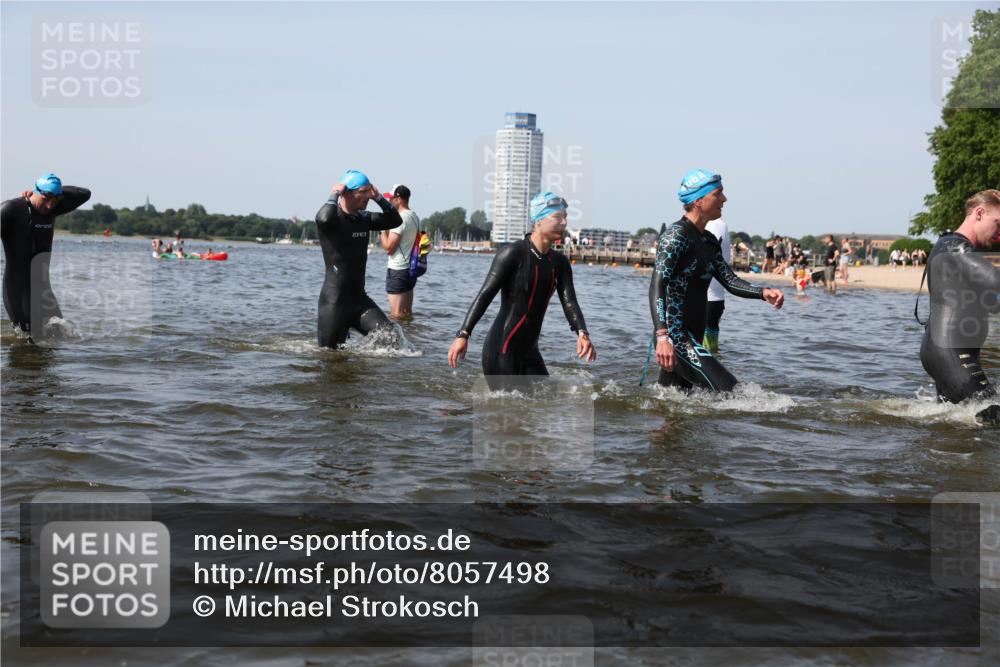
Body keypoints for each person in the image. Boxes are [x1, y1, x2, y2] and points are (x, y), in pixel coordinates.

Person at [650, 169, 783, 392]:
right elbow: (657, 285)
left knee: (671, 401)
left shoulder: (709, 241)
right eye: (718, 193)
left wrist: (762, 292)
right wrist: (663, 337)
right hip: (675, 338)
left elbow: (729, 280)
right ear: (698, 200)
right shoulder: (675, 236)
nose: (724, 199)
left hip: (693, 336)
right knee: (732, 392)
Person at [448, 191, 596, 391]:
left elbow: (570, 302)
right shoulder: (513, 253)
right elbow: (485, 295)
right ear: (539, 221)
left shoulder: (559, 263)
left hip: (530, 352)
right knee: (507, 407)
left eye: (565, 217)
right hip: (501, 350)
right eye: (557, 217)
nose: (564, 223)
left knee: (547, 400)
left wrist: (582, 333)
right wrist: (463, 334)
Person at [918, 189, 1000, 419]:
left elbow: (993, 302)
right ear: (980, 213)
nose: (999, 233)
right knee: (992, 417)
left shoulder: (952, 248)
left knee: (954, 423)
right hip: (950, 350)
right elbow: (995, 281)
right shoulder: (954, 245)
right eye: (998, 223)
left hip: (944, 349)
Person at [314, 169, 402, 348]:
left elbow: (395, 220)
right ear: (346, 193)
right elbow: (322, 218)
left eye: (370, 191)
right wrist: (334, 193)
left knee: (391, 339)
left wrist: (379, 198)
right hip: (334, 303)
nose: (368, 196)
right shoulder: (333, 220)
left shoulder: (364, 219)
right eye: (363, 191)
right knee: (330, 356)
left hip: (360, 301)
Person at [1, 173, 91, 339]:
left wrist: (55, 192)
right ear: (36, 191)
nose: (49, 206)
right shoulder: (11, 210)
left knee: (59, 336)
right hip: (18, 290)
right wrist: (48, 193)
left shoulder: (53, 208)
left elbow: (84, 193)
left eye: (55, 201)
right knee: (29, 341)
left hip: (44, 290)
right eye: (45, 199)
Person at [379, 185, 420, 319]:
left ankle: (398, 334)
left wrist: (381, 230)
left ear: (399, 199)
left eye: (391, 198)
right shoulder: (414, 216)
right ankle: (409, 332)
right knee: (407, 313)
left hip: (398, 270)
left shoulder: (400, 219)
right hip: (411, 270)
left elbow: (389, 248)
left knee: (396, 315)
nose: (389, 202)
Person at [703, 217, 731, 353]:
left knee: (701, 352)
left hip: (705, 298)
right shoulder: (722, 225)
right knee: (711, 352)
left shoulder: (709, 225)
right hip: (717, 298)